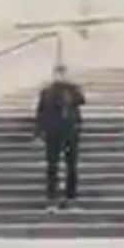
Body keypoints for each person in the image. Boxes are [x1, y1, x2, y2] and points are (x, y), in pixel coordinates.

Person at [33, 63, 86, 211]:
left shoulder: (73, 90)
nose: (60, 76)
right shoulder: (47, 92)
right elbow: (40, 113)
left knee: (72, 167)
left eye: (63, 73)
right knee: (52, 166)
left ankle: (71, 198)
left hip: (70, 132)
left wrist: (70, 88)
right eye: (58, 73)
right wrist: (38, 132)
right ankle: (52, 199)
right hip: (53, 133)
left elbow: (81, 101)